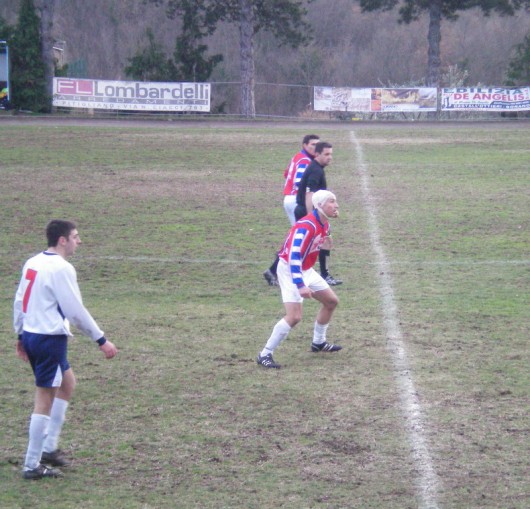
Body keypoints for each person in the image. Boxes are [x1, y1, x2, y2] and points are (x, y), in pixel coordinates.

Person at [13, 220, 118, 480]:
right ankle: (31, 464)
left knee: (67, 383)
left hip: (33, 334)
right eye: (75, 236)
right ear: (63, 240)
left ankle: (48, 448)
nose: (78, 241)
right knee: (44, 398)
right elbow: (75, 311)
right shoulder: (62, 269)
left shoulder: (33, 262)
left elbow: (20, 299)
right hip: (49, 338)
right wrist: (101, 339)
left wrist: (20, 333)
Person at [257, 190, 343, 369]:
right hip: (290, 270)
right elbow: (293, 257)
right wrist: (300, 285)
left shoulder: (324, 224)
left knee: (331, 302)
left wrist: (326, 241)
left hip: (306, 269)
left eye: (336, 202)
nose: (336, 205)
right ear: (319, 205)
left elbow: (320, 244)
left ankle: (318, 343)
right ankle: (265, 353)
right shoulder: (306, 226)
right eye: (331, 202)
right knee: (294, 316)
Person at [263, 134, 320, 287]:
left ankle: (275, 270)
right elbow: (298, 182)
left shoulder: (298, 157)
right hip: (296, 201)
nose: (315, 147)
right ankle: (278, 270)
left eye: (317, 144)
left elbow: (286, 173)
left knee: (298, 237)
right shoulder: (305, 161)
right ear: (304, 145)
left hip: (290, 199)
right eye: (312, 144)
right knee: (301, 238)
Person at [295, 141, 343, 286]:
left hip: (314, 214)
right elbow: (309, 194)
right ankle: (324, 275)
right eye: (326, 154)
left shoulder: (318, 168)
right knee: (313, 244)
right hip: (308, 212)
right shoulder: (316, 170)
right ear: (317, 154)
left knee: (324, 242)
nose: (330, 157)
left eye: (331, 154)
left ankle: (324, 274)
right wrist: (312, 218)